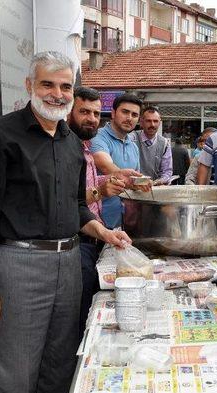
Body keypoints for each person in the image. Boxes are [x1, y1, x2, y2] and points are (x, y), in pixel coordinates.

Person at [0, 51, 132, 393]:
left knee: (59, 368)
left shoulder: (73, 143)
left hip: (69, 263)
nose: (57, 94)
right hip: (18, 265)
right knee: (15, 375)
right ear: (29, 86)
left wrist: (104, 231)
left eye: (65, 86)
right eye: (48, 84)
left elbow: (75, 207)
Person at [67, 86, 137, 333]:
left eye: (96, 113)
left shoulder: (83, 144)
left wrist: (111, 180)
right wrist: (102, 191)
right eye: (84, 111)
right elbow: (67, 199)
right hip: (77, 239)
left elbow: (87, 184)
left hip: (96, 234)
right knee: (79, 310)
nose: (91, 119)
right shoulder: (67, 146)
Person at [91, 92, 149, 228]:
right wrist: (126, 177)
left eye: (134, 115)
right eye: (125, 112)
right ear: (113, 113)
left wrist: (148, 184)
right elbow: (105, 166)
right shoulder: (98, 138)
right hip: (98, 225)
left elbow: (136, 183)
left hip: (125, 223)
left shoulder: (133, 146)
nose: (129, 118)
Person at [132, 106, 173, 184]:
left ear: (160, 122)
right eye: (148, 121)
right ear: (141, 122)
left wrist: (160, 181)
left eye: (155, 121)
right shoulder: (131, 139)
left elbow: (167, 171)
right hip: (133, 188)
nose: (152, 124)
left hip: (154, 190)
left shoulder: (164, 143)